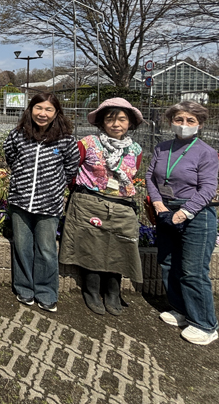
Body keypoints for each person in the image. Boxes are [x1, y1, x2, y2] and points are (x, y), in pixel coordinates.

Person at [59, 97, 144, 316]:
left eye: (122, 119)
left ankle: (113, 292)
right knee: (91, 247)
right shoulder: (88, 143)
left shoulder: (135, 149)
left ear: (130, 123)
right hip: (90, 203)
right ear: (101, 122)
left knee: (120, 248)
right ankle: (92, 291)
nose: (116, 124)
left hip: (121, 205)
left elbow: (132, 176)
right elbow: (72, 169)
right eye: (110, 119)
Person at [146, 101, 219, 345]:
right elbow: (150, 177)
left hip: (196, 214)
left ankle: (205, 324)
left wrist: (186, 211)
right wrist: (158, 203)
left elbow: (208, 187)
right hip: (166, 209)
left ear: (200, 124)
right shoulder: (162, 147)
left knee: (193, 271)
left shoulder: (206, 152)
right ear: (171, 122)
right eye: (179, 119)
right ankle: (180, 309)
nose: (184, 124)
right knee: (168, 263)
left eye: (190, 121)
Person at [3, 92, 79, 313]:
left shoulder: (65, 140)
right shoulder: (18, 135)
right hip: (20, 201)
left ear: (56, 113)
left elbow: (71, 167)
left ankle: (46, 292)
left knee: (46, 248)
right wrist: (21, 179)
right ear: (30, 109)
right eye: (38, 108)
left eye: (48, 109)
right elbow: (10, 157)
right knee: (22, 246)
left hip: (49, 204)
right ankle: (24, 288)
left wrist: (54, 186)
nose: (42, 113)